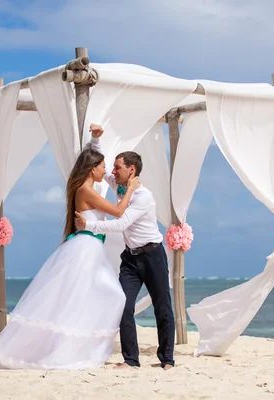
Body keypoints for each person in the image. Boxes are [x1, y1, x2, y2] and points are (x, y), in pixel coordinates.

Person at [0, 136, 140, 371]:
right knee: (94, 298)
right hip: (85, 250)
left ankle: (79, 347)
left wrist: (95, 141)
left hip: (90, 249)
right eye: (102, 166)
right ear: (92, 170)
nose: (106, 170)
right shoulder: (86, 190)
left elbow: (97, 176)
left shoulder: (89, 188)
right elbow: (118, 212)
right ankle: (70, 349)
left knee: (92, 298)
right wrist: (131, 189)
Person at [75, 123, 175, 370]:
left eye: (118, 168)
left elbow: (122, 223)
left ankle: (167, 359)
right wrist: (96, 139)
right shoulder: (118, 183)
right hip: (130, 259)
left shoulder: (144, 197)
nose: (112, 171)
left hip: (153, 255)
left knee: (162, 308)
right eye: (113, 168)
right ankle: (131, 360)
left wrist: (89, 226)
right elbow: (95, 166)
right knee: (123, 306)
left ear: (131, 171)